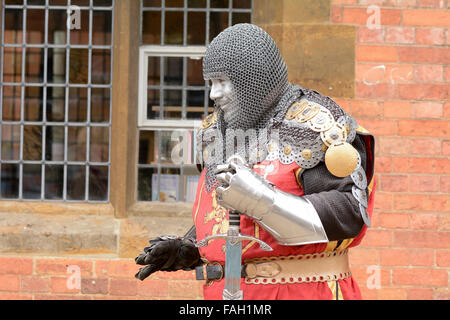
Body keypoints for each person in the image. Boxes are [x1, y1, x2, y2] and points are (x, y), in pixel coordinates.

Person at [135, 23, 375, 300]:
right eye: (211, 83)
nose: (214, 94)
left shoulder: (317, 127)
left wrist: (259, 199)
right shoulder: (217, 133)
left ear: (256, 77)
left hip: (302, 291)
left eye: (223, 82)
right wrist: (191, 248)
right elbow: (229, 220)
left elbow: (348, 214)